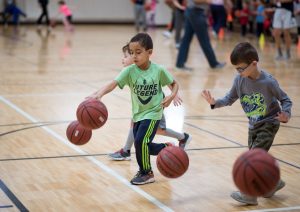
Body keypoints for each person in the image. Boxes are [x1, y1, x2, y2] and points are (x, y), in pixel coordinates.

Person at [201, 42, 292, 205]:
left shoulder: (268, 82)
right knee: (257, 159)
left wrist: (286, 114)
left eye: (241, 68)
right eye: (236, 69)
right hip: (253, 125)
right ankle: (272, 183)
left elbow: (285, 99)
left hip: (269, 122)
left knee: (252, 159)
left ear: (254, 63)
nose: (239, 72)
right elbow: (229, 99)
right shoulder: (239, 80)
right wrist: (215, 103)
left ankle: (249, 195)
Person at [89, 33, 181, 185]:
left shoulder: (158, 70)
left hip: (154, 113)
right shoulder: (129, 71)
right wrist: (99, 94)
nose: (135, 56)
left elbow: (175, 84)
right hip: (138, 114)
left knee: (140, 141)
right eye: (132, 53)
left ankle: (146, 172)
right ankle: (166, 147)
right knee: (142, 145)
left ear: (149, 52)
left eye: (138, 52)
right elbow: (112, 83)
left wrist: (172, 95)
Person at [109, 43, 192, 161]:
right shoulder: (130, 71)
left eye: (126, 56)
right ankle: (126, 150)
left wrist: (174, 94)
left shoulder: (151, 68)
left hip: (155, 104)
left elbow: (168, 80)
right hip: (143, 106)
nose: (123, 59)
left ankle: (126, 150)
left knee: (152, 128)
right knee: (152, 128)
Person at [175, 0, 226, 70]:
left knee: (186, 39)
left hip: (191, 11)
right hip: (196, 13)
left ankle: (180, 64)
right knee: (204, 40)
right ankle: (214, 63)